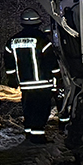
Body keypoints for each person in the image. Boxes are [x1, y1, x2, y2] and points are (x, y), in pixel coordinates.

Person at [4, 8, 60, 144]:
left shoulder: (12, 41)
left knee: (28, 108)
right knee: (41, 110)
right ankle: (38, 137)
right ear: (38, 23)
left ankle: (29, 133)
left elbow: (9, 64)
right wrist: (58, 76)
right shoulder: (42, 40)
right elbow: (51, 61)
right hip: (42, 83)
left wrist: (13, 80)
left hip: (24, 84)